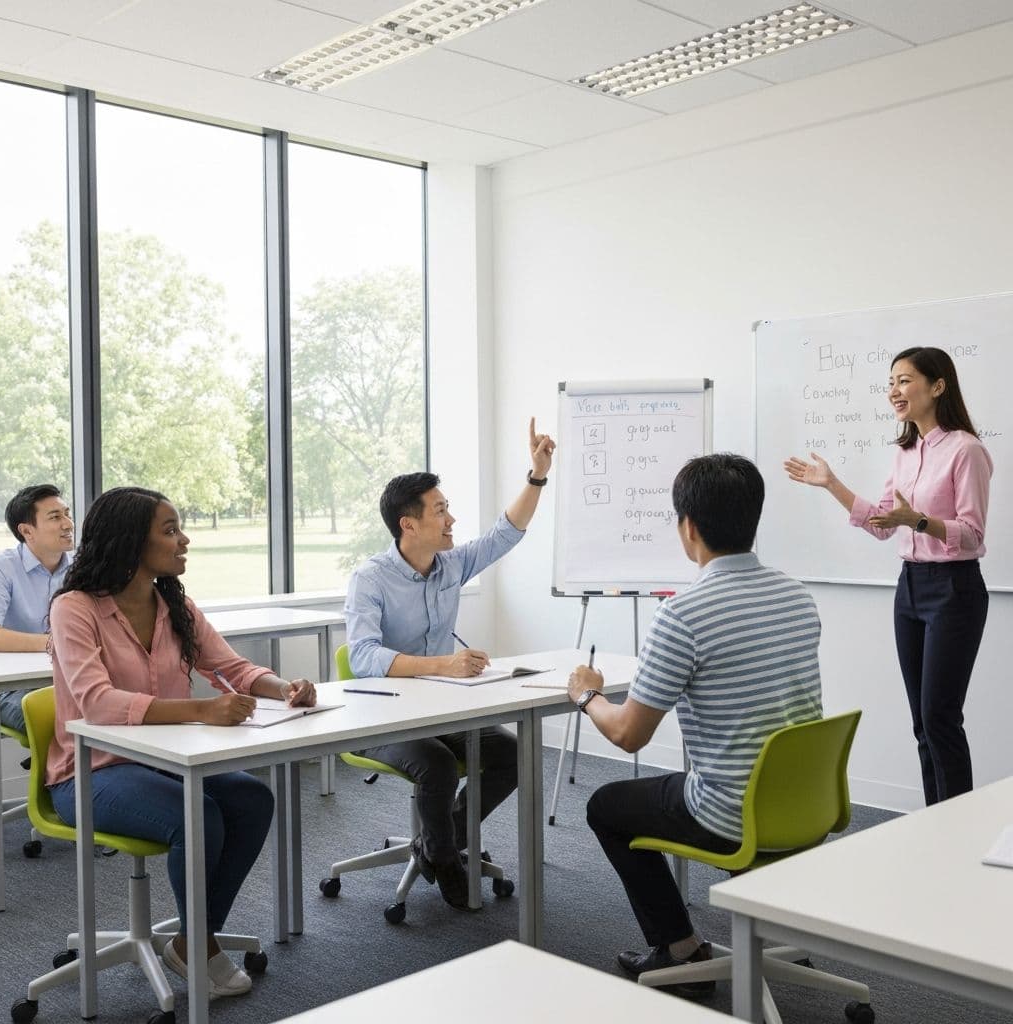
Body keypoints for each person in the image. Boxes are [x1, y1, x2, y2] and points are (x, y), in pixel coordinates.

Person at [46, 487, 316, 999]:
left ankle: (193, 941)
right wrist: (204, 710)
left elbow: (231, 666)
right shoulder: (73, 609)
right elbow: (98, 703)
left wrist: (285, 688)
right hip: (92, 770)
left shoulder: (176, 604)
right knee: (199, 816)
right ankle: (201, 947)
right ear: (129, 543)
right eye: (170, 531)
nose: (184, 540)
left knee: (252, 798)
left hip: (169, 762)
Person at [567, 454, 822, 995]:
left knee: (605, 806)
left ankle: (680, 951)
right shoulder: (798, 597)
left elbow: (628, 734)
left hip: (729, 812)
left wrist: (586, 694)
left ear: (688, 527)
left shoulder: (684, 613)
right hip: (803, 802)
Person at [344, 418, 555, 910]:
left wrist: (537, 475)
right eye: (441, 511)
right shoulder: (370, 579)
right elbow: (362, 657)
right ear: (409, 524)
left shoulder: (451, 565)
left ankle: (439, 844)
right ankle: (443, 852)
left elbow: (506, 534)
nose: (451, 520)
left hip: (443, 712)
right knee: (436, 765)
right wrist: (443, 664)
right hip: (381, 716)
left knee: (512, 754)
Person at [785, 346, 991, 806]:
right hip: (910, 588)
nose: (894, 391)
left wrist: (917, 520)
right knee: (921, 721)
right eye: (891, 382)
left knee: (941, 717)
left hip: (955, 590)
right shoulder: (905, 451)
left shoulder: (966, 450)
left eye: (904, 381)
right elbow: (883, 522)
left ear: (938, 386)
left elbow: (973, 535)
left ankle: (959, 825)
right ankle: (935, 820)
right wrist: (831, 483)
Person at [0, 484, 75, 731]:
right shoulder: (1, 569)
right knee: (62, 719)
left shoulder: (82, 567)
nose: (68, 524)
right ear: (27, 531)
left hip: (71, 678)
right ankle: (59, 766)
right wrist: (53, 643)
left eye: (67, 514)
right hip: (10, 688)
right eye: (56, 517)